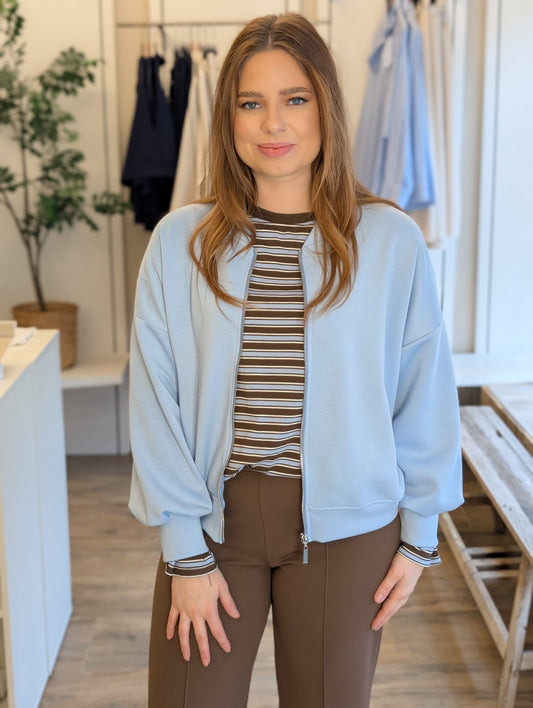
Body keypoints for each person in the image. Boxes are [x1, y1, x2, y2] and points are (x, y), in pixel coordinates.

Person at [128, 13, 463, 708]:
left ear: (325, 108)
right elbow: (155, 398)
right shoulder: (178, 243)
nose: (272, 123)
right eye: (250, 102)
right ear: (228, 118)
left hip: (350, 530)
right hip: (214, 522)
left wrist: (419, 534)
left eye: (295, 99)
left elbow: (422, 391)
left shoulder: (391, 241)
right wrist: (183, 548)